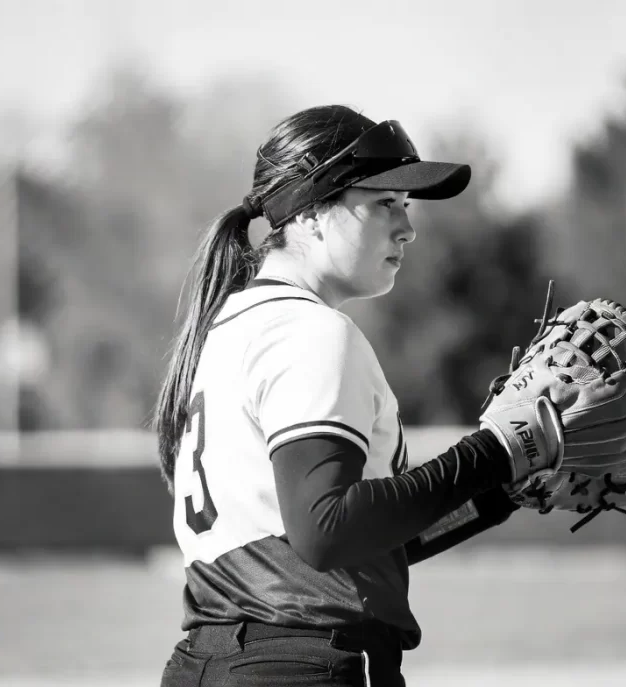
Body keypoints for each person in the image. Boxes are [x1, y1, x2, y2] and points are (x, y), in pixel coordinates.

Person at [154, 105, 525, 686]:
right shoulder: (310, 331)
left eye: (406, 205)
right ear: (309, 214)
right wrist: (494, 452)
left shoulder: (223, 329)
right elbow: (326, 528)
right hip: (299, 664)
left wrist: (501, 487)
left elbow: (353, 539)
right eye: (384, 203)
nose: (407, 228)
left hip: (212, 665)